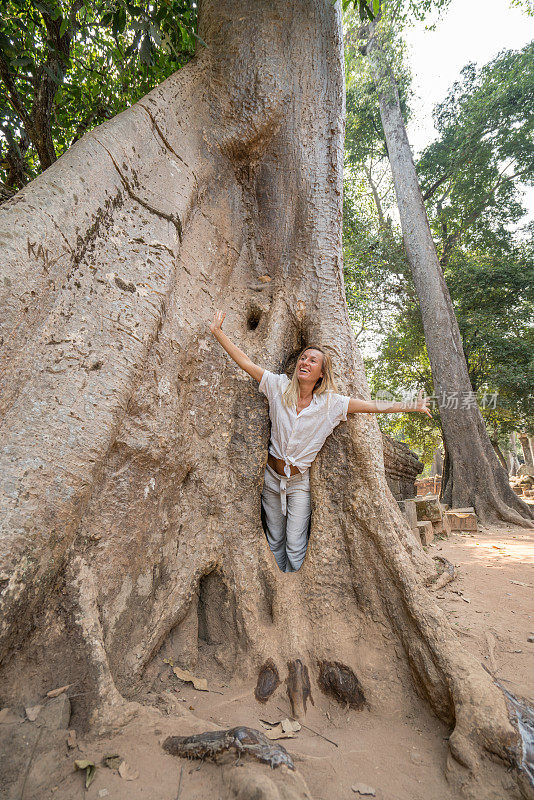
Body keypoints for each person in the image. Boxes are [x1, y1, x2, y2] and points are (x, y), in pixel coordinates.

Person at [209, 310, 431, 573]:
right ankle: (280, 586)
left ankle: (293, 585)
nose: (305, 362)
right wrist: (218, 332)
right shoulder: (278, 386)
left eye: (313, 360)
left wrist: (412, 405)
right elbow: (246, 363)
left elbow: (372, 406)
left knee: (294, 542)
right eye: (303, 357)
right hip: (271, 478)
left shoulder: (331, 405)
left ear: (322, 373)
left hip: (299, 482)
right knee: (275, 539)